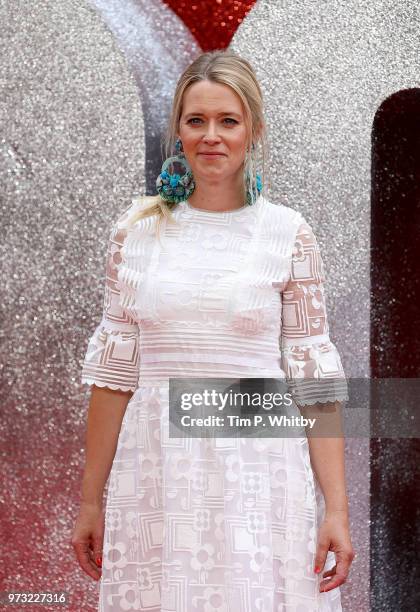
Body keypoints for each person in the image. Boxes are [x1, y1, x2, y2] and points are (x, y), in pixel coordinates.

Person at [72, 50, 354, 611]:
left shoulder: (287, 233)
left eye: (228, 120)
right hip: (155, 470)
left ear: (253, 129)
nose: (211, 136)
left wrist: (337, 510)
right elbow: (113, 376)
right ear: (178, 129)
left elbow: (312, 377)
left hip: (259, 470)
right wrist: (90, 501)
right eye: (196, 120)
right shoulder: (135, 232)